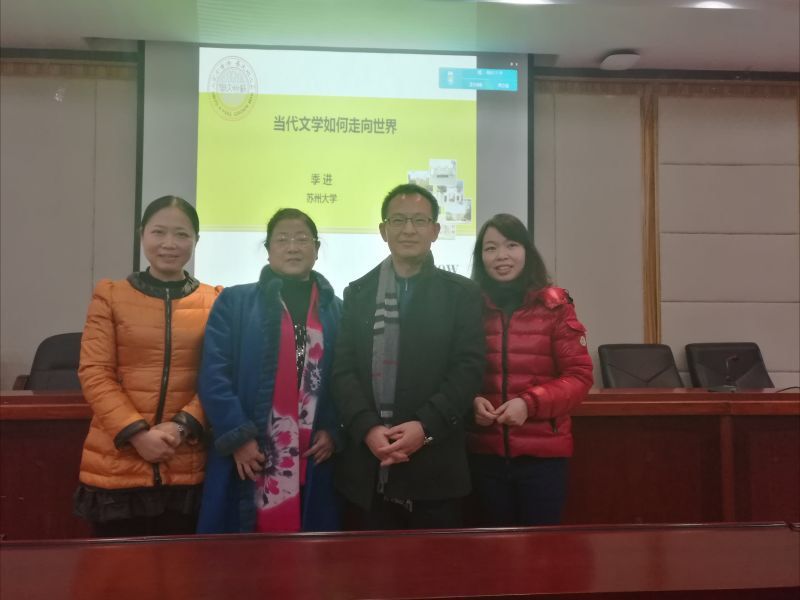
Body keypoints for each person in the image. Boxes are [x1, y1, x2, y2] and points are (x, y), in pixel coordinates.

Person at [333, 183, 485, 530]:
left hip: (436, 467)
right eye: (398, 220)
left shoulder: (461, 294)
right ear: (383, 230)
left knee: (434, 564)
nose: (408, 229)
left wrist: (425, 427)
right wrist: (367, 428)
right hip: (367, 468)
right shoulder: (358, 293)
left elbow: (468, 369)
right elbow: (343, 371)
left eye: (419, 220)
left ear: (435, 230)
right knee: (369, 564)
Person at [74, 195, 220, 537]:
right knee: (118, 568)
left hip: (185, 460)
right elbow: (95, 372)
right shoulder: (111, 296)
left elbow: (218, 376)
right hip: (117, 462)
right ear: (142, 235)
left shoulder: (215, 301)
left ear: (196, 240)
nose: (170, 244)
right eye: (159, 232)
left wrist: (180, 428)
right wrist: (138, 435)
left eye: (182, 234)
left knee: (182, 567)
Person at [197, 208, 342, 533]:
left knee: (309, 552)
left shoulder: (336, 310)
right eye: (283, 239)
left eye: (302, 239)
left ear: (316, 249)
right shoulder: (235, 302)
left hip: (312, 454)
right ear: (268, 249)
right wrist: (238, 437)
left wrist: (333, 430)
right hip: (249, 452)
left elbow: (343, 377)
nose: (293, 247)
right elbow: (213, 374)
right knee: (242, 553)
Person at [468, 213, 593, 526]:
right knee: (489, 548)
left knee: (539, 549)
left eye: (511, 245)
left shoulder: (555, 307)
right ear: (480, 257)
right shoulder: (469, 307)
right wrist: (469, 401)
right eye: (490, 248)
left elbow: (579, 376)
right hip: (482, 454)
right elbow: (455, 370)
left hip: (543, 458)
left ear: (527, 251)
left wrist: (529, 403)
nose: (501, 255)